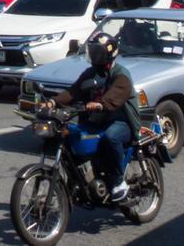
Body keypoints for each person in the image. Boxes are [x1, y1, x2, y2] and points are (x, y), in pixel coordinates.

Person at [51, 32, 141, 200]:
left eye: (97, 52)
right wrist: (52, 103)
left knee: (110, 137)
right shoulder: (90, 73)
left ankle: (117, 182)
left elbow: (116, 94)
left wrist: (100, 103)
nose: (94, 56)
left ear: (109, 53)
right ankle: (79, 179)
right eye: (92, 52)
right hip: (97, 121)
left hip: (122, 121)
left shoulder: (121, 74)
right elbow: (74, 91)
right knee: (70, 134)